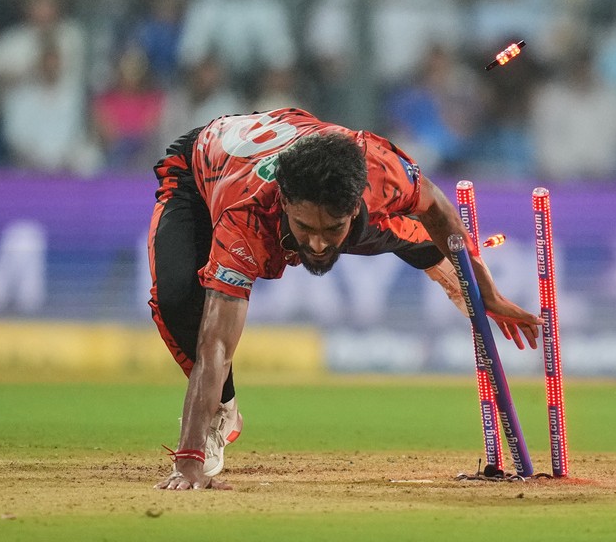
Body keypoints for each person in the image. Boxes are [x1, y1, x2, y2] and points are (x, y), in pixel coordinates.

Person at [148, 108, 543, 490]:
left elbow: (438, 207)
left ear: (354, 206)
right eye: (304, 227)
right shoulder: (245, 217)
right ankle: (222, 409)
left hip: (306, 165)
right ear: (285, 203)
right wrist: (189, 458)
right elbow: (217, 344)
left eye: (332, 227)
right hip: (201, 178)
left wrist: (485, 292)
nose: (317, 244)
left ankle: (448, 272)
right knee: (178, 301)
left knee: (399, 234)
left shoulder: (383, 171)